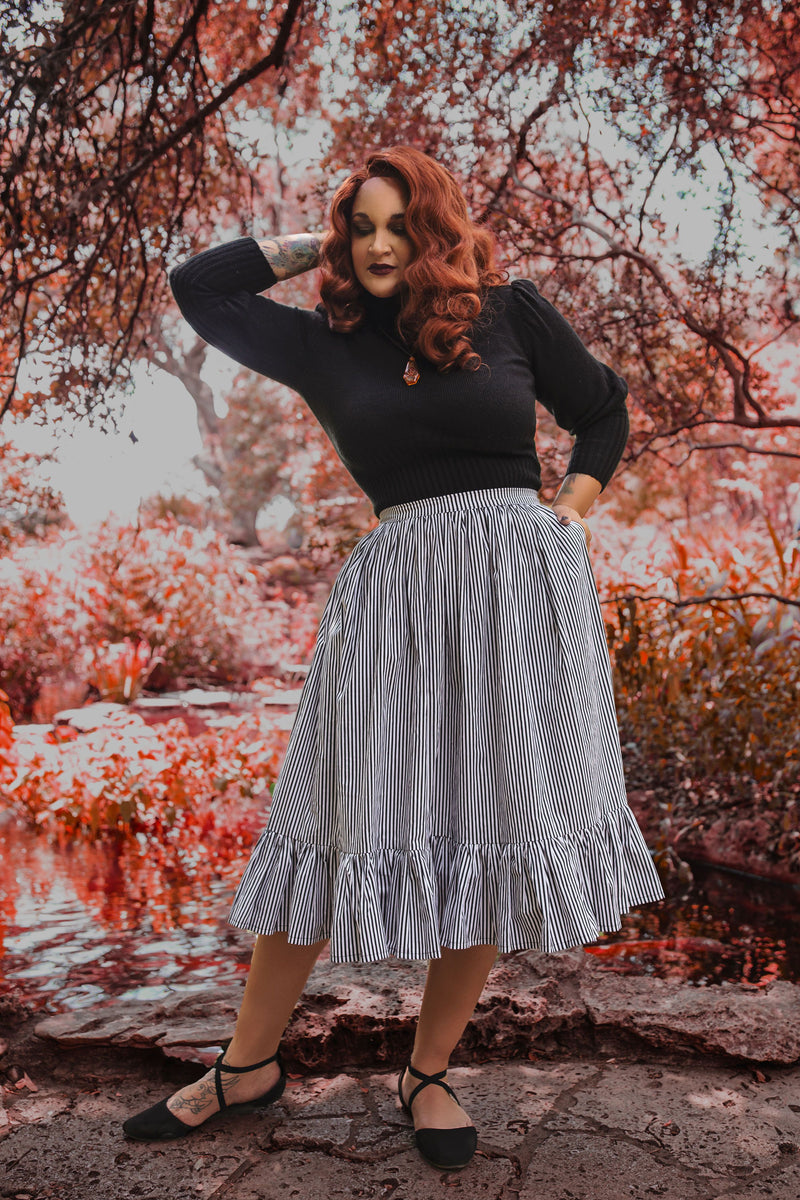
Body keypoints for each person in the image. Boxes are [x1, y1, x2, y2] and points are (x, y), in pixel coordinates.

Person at [122, 145, 664, 1171]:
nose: (377, 244)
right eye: (359, 227)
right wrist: (311, 240)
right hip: (395, 603)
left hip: (518, 595)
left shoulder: (510, 312)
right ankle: (246, 1068)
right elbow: (198, 285)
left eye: (397, 224)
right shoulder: (321, 346)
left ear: (437, 230)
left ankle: (427, 1073)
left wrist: (565, 522)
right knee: (326, 815)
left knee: (491, 819)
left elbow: (600, 412)